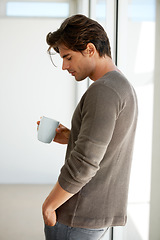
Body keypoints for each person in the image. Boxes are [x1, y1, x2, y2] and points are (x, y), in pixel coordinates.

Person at [37, 14, 138, 240]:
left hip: (77, 217)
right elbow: (109, 145)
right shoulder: (122, 86)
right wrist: (72, 136)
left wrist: (49, 205)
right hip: (94, 216)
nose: (64, 66)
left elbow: (85, 162)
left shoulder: (103, 91)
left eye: (68, 57)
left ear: (90, 49)